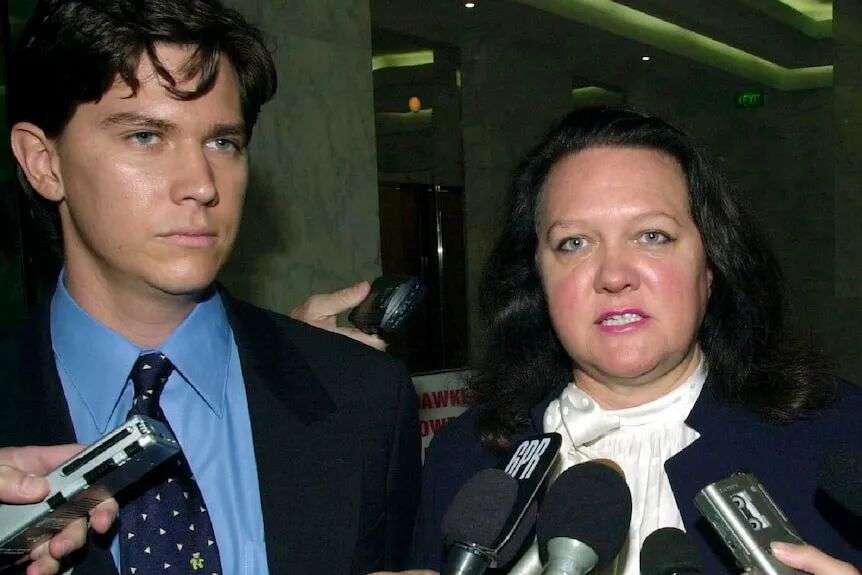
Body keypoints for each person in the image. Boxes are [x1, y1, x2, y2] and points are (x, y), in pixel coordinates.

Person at [1, 1, 420, 574]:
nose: (201, 184)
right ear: (43, 162)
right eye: (146, 136)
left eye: (223, 143)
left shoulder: (364, 399)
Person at [409, 107, 861, 574]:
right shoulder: (467, 457)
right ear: (537, 278)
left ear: (710, 267)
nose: (613, 275)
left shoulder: (837, 438)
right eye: (574, 243)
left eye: (652, 235)